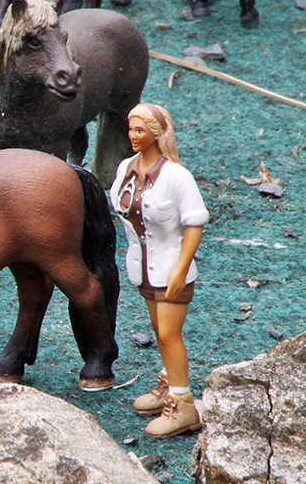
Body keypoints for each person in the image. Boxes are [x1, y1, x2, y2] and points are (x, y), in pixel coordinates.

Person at [110, 103, 208, 438]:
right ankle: (169, 383)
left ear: (156, 134)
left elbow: (195, 224)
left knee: (169, 333)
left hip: (170, 270)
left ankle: (183, 405)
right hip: (143, 269)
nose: (133, 136)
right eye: (131, 129)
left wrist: (181, 269)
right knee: (157, 328)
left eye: (140, 130)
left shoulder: (178, 177)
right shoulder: (126, 168)